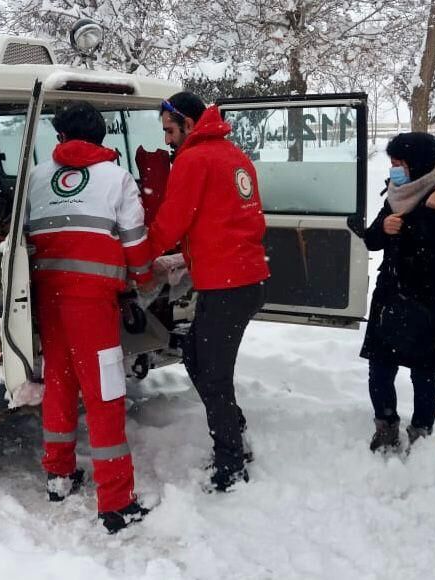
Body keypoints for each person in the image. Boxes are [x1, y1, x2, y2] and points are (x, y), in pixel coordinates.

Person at [25, 101, 153, 534]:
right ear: (102, 137)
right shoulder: (117, 178)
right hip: (93, 306)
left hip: (48, 298)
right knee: (105, 396)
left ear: (61, 138)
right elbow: (135, 241)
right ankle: (116, 503)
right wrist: (144, 277)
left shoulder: (38, 177)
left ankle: (59, 476)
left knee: (58, 385)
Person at [144, 91, 270, 492]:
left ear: (187, 122)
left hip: (227, 284)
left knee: (212, 374)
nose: (166, 139)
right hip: (244, 279)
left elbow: (171, 221)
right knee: (197, 354)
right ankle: (234, 427)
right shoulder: (233, 155)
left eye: (169, 130)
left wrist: (138, 258)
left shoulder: (194, 159)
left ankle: (231, 463)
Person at [360, 132, 435, 453]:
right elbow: (372, 240)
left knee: (423, 370)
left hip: (429, 297)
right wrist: (383, 229)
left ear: (419, 163)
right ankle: (385, 425)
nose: (394, 170)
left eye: (399, 164)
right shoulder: (398, 193)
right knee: (380, 366)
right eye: (392, 163)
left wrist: (427, 217)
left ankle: (422, 432)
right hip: (391, 294)